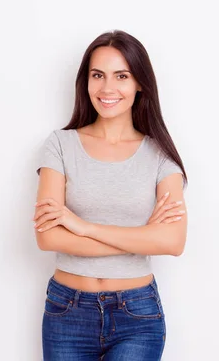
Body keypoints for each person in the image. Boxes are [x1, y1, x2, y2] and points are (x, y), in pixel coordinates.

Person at [33, 30, 189, 360]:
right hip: (67, 312)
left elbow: (172, 242)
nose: (107, 88)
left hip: (137, 315)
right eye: (97, 75)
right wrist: (142, 237)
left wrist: (82, 226)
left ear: (140, 83)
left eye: (122, 76)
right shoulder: (60, 145)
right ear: (85, 81)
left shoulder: (160, 156)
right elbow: (47, 237)